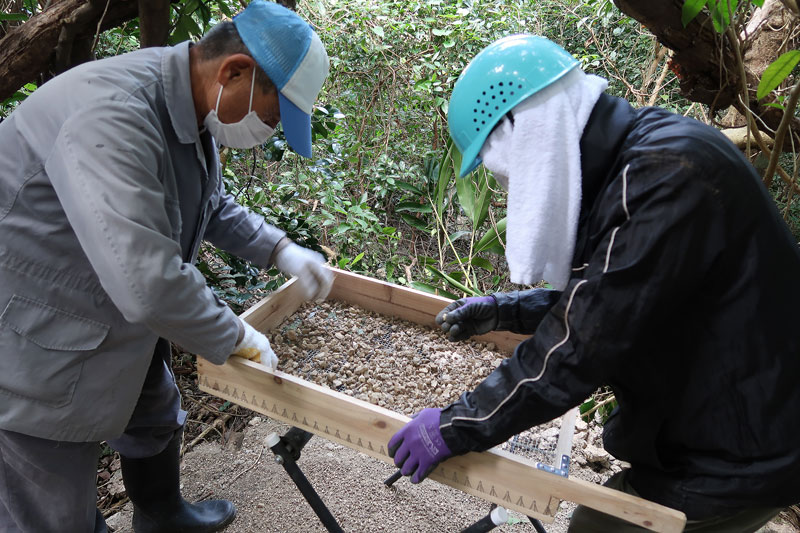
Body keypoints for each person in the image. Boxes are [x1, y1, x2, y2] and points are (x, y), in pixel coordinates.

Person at [388, 34, 800, 531]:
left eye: (503, 171)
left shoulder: (661, 179)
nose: (507, 186)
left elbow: (582, 345)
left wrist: (457, 425)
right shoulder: (638, 165)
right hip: (727, 435)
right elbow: (615, 297)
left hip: (740, 459)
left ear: (528, 133)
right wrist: (506, 311)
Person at [0, 1, 333, 531]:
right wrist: (236, 336)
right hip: (34, 327)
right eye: (272, 116)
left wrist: (278, 249)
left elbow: (209, 204)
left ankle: (162, 514)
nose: (267, 130)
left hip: (103, 300)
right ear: (235, 72)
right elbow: (149, 283)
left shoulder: (183, 102)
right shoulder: (114, 113)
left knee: (153, 410)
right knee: (50, 503)